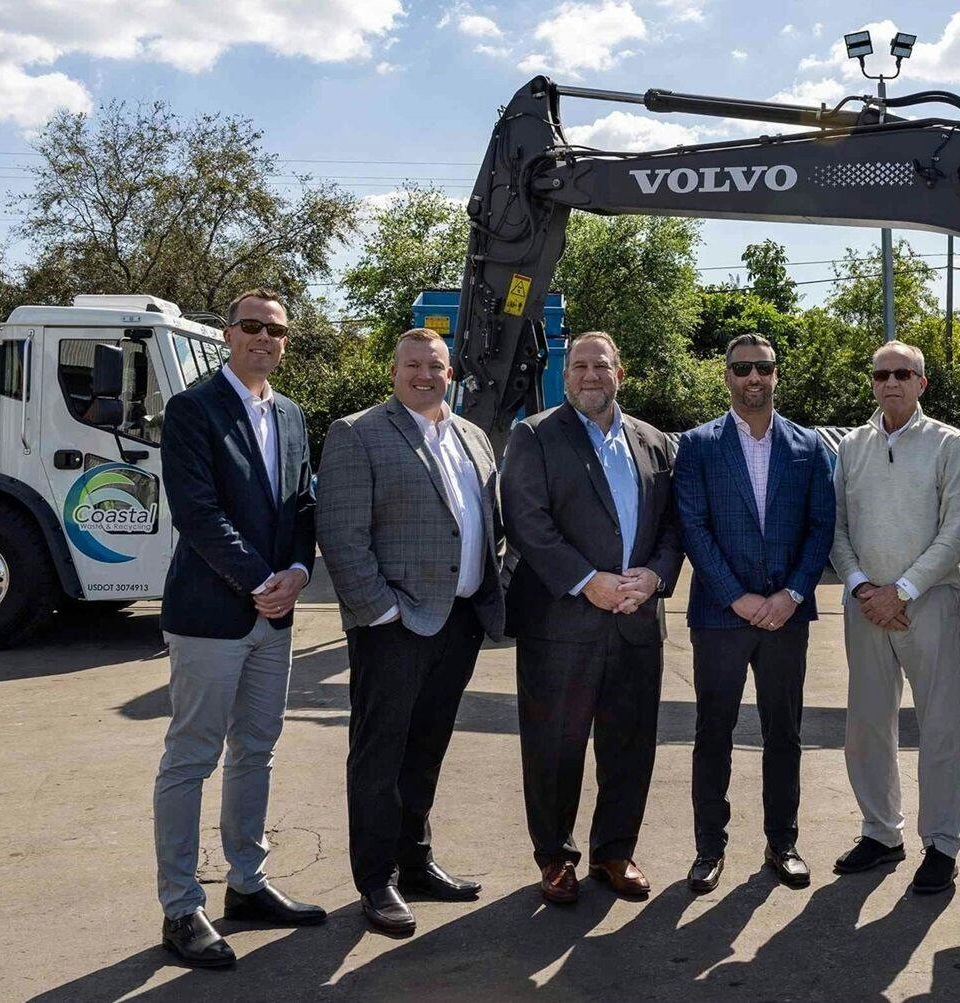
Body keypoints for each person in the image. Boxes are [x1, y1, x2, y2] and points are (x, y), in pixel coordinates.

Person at [316, 328, 506, 937]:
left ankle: (415, 861)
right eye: (414, 365)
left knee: (427, 748)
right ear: (394, 370)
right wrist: (381, 612)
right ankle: (376, 880)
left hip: (460, 618)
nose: (425, 375)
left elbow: (485, 520)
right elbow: (342, 534)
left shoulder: (474, 436)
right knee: (381, 754)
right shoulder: (358, 432)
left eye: (437, 366)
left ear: (451, 372)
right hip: (395, 625)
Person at [154, 288, 321, 968]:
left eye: (276, 329)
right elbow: (197, 513)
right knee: (192, 756)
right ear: (228, 334)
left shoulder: (291, 414)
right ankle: (180, 905)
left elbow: (301, 506)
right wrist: (262, 583)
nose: (263, 337)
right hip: (211, 615)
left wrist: (299, 574)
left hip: (274, 616)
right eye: (251, 325)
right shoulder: (193, 410)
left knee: (257, 748)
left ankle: (246, 885)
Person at [500, 331, 683, 906]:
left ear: (619, 373)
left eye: (600, 365)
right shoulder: (534, 435)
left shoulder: (654, 442)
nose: (589, 375)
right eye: (578, 365)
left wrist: (654, 576)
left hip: (636, 619)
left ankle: (615, 851)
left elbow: (674, 525)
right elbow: (526, 520)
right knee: (555, 745)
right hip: (561, 623)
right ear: (565, 373)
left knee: (630, 743)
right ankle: (555, 857)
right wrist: (588, 581)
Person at [675, 332, 835, 894]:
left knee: (783, 733)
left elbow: (821, 528)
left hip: (786, 616)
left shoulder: (810, 447)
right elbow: (693, 526)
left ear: (775, 374)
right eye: (742, 369)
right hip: (721, 615)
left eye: (763, 368)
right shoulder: (697, 445)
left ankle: (782, 843)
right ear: (727, 376)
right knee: (712, 732)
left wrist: (790, 594)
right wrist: (736, 596)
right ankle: (708, 849)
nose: (753, 378)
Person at [828, 341, 960, 895]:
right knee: (866, 725)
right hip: (865, 606)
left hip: (930, 602)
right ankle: (881, 832)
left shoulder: (947, 444)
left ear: (921, 383)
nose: (891, 382)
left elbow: (956, 530)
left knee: (940, 727)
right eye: (882, 374)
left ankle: (941, 843)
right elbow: (837, 529)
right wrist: (865, 588)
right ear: (873, 382)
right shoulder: (851, 447)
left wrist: (904, 591)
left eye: (902, 373)